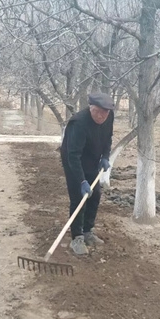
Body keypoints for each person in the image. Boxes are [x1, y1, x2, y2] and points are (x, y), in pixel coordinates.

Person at [59, 92, 115, 255]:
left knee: (95, 194)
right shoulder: (79, 123)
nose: (101, 116)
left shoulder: (109, 117)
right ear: (90, 108)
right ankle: (77, 237)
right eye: (97, 112)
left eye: (104, 113)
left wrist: (105, 156)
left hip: (92, 158)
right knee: (78, 199)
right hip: (73, 161)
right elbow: (73, 155)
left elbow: (108, 138)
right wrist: (81, 181)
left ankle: (87, 231)